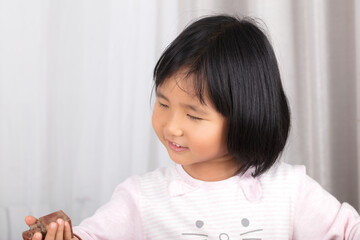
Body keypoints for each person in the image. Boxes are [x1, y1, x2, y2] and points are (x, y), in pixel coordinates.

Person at [24, 14, 360, 239]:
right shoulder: (141, 197)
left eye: (194, 115)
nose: (171, 127)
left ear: (247, 114)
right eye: (163, 104)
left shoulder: (290, 190)